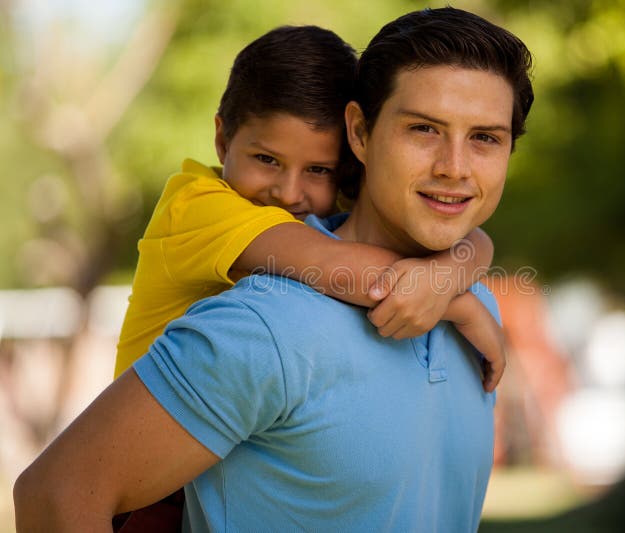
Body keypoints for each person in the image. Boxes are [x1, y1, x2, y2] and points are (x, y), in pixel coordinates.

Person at [13, 6, 534, 532]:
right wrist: (455, 298)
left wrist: (453, 280)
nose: (454, 167)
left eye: (485, 138)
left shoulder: (472, 300)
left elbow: (469, 241)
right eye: (424, 129)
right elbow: (53, 495)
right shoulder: (262, 307)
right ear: (360, 132)